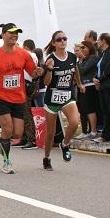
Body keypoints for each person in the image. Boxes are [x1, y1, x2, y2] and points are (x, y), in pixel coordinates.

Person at [0, 23, 43, 174]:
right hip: (0, 97)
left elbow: (32, 74)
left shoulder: (23, 54)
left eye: (17, 33)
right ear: (3, 35)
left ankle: (3, 136)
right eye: (11, 33)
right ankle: (6, 162)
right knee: (8, 129)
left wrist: (38, 72)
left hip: (19, 98)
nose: (15, 35)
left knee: (18, 134)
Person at [42, 31, 81, 171]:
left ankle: (65, 144)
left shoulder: (72, 56)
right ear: (54, 43)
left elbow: (75, 70)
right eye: (59, 39)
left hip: (67, 96)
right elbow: (46, 83)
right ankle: (46, 158)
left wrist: (80, 83)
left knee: (75, 122)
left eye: (65, 38)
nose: (62, 41)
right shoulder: (50, 59)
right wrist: (50, 70)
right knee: (51, 133)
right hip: (52, 98)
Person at [93, 33, 110, 144]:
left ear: (104, 41)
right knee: (105, 111)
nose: (97, 42)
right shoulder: (102, 54)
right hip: (103, 86)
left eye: (99, 40)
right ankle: (106, 135)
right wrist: (95, 78)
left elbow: (108, 70)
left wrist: (98, 79)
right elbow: (98, 67)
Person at [75, 41, 99, 139]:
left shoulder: (92, 58)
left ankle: (93, 131)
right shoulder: (80, 61)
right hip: (81, 86)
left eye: (83, 47)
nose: (81, 50)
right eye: (78, 49)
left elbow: (82, 70)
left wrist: (82, 58)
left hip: (90, 86)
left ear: (89, 48)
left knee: (90, 109)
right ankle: (85, 131)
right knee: (82, 109)